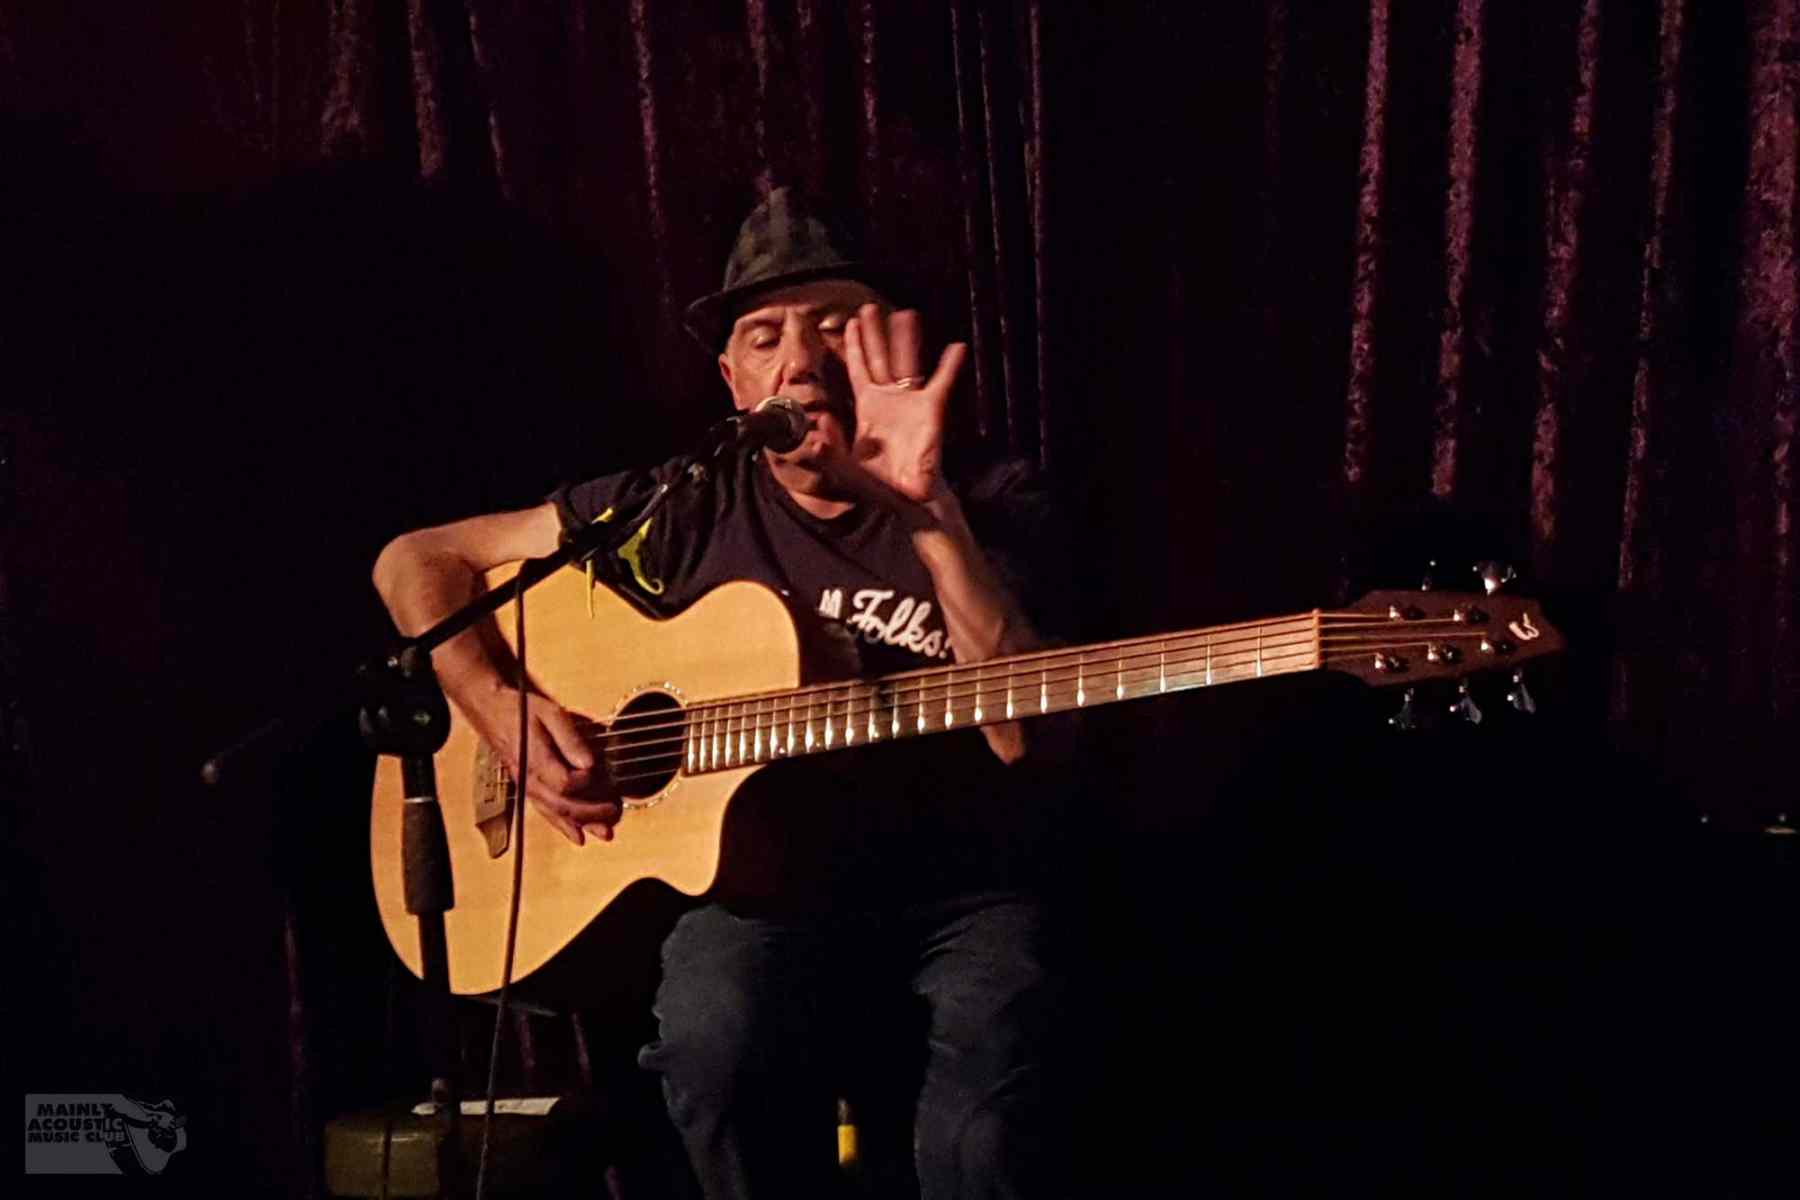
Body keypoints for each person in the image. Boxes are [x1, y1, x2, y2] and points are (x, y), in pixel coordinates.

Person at [373, 187, 1074, 1198]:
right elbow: (416, 559)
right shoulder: (684, 504)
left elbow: (1028, 743)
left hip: (960, 895)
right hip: (765, 894)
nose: (800, 360)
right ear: (733, 380)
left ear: (891, 348)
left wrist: (928, 516)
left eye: (834, 326)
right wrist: (498, 706)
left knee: (979, 1144)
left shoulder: (995, 500)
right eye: (764, 337)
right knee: (713, 1048)